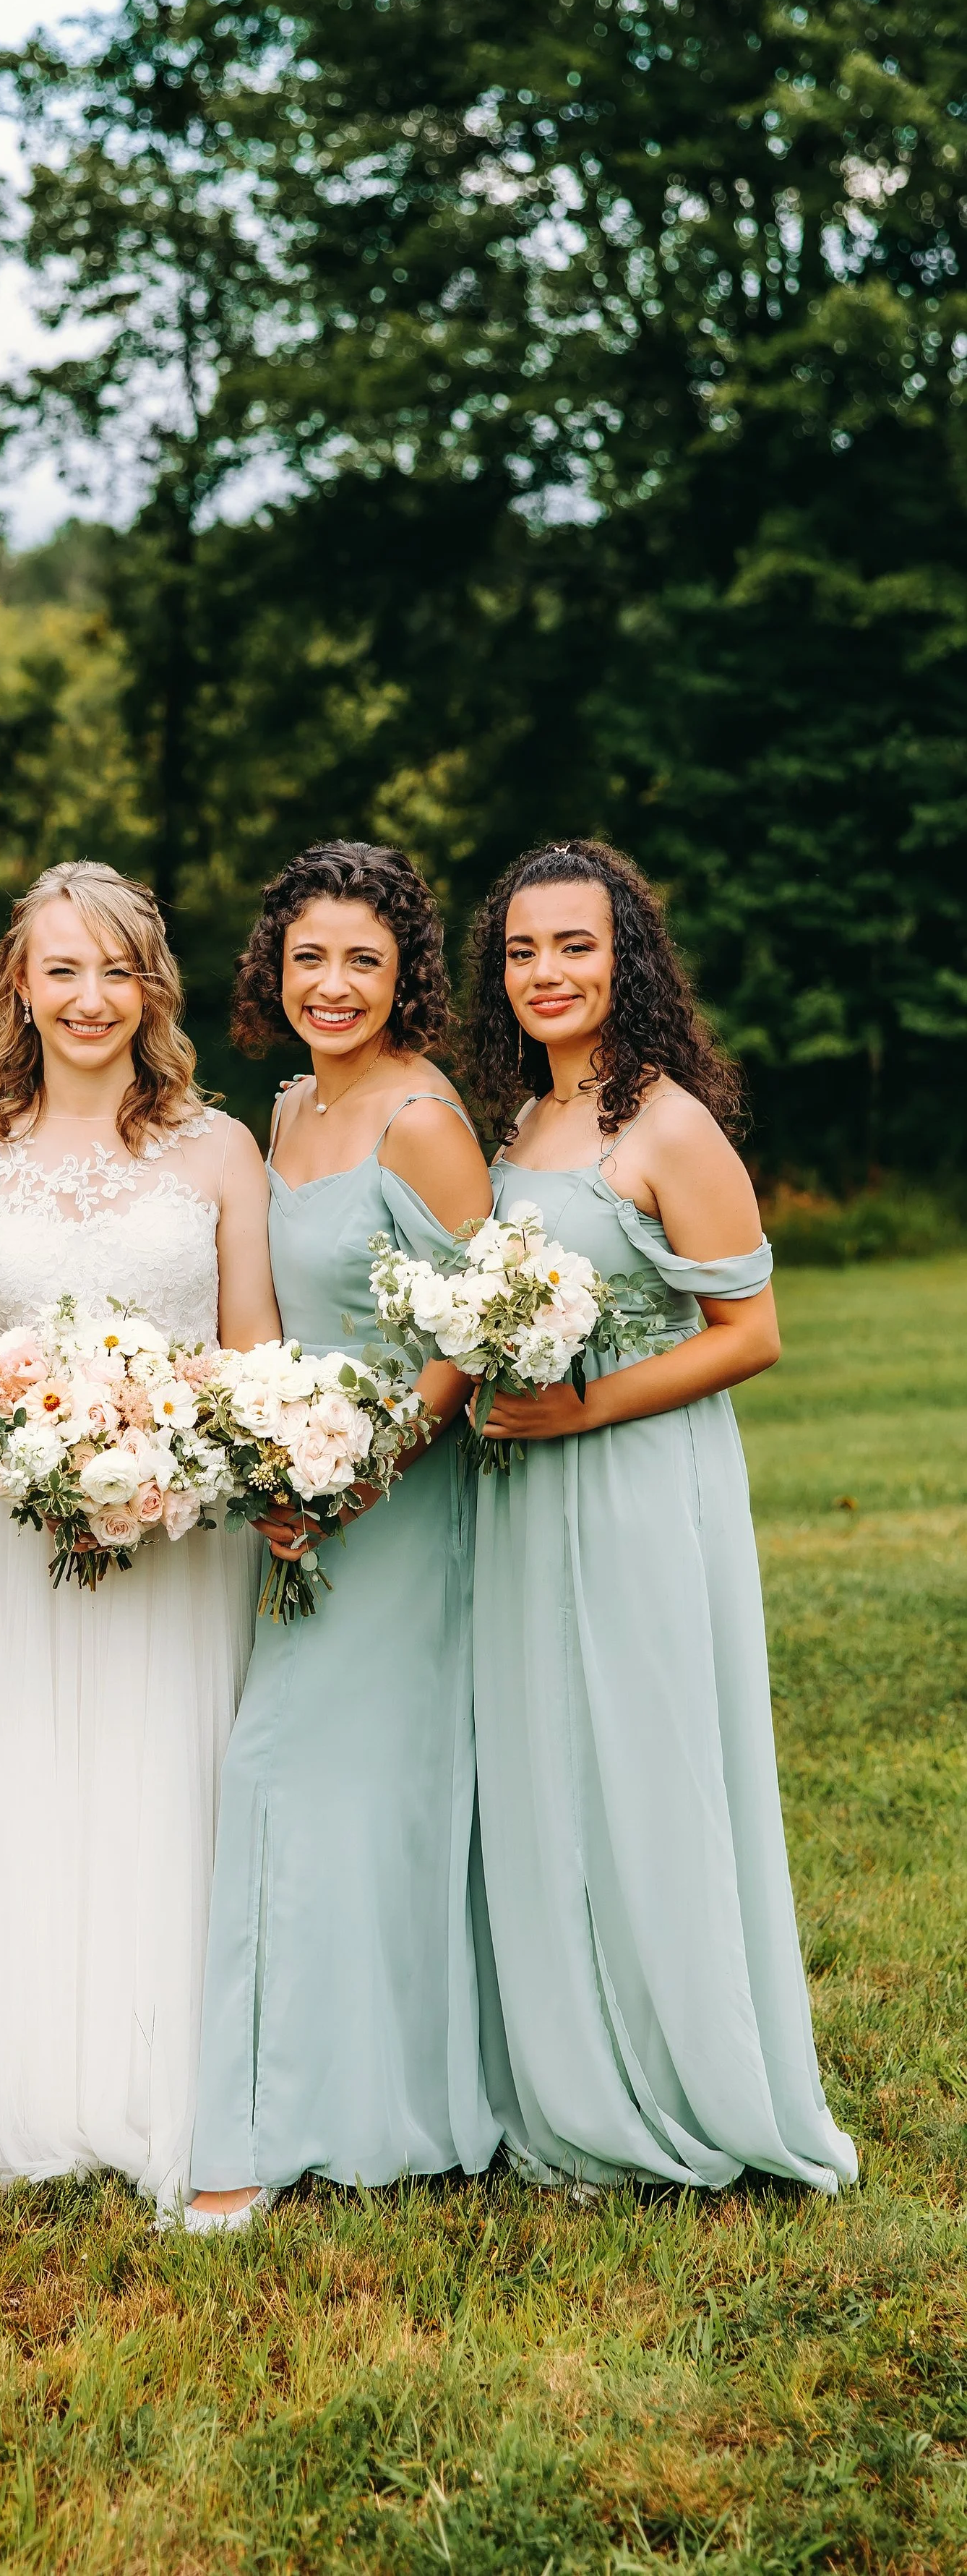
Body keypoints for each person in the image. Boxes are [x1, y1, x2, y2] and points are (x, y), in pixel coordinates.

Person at [0, 861, 280, 2215]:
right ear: (21, 988)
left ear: (152, 986)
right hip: (7, 1528)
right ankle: (11, 2091)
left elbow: (250, 1346)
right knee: (18, 1788)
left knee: (162, 1784)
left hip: (178, 1528)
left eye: (117, 969)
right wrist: (28, 1454)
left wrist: (164, 1453)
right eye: (63, 969)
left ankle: (167, 2095)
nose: (90, 997)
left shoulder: (218, 1151)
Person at [459, 837, 856, 2193]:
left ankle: (691, 2081)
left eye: (575, 945)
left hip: (634, 1482)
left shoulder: (670, 1124)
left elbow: (751, 1332)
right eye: (522, 949)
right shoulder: (523, 1120)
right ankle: (569, 2071)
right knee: (550, 1763)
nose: (547, 971)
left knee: (647, 1763)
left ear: (626, 957)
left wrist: (586, 1408)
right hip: (525, 1492)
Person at [186, 843, 501, 2231]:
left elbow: (479, 1328)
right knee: (309, 1792)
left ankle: (290, 2126)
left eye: (363, 960)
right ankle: (325, 2102)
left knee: (318, 1784)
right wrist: (273, 1456)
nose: (332, 983)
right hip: (295, 1499)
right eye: (308, 956)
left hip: (397, 1505)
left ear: (405, 974)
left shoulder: (421, 1118)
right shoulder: (290, 1105)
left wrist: (367, 1470)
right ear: (274, 966)